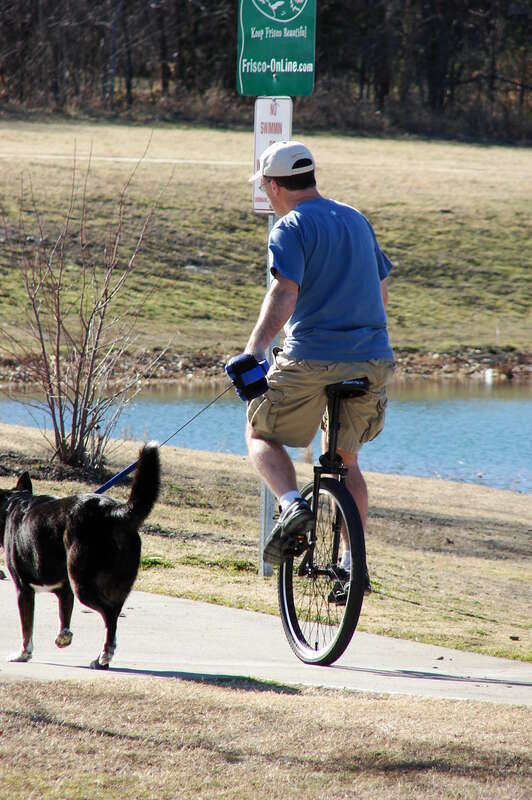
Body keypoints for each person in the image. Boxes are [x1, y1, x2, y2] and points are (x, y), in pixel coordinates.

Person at [238, 140, 394, 592]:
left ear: (274, 185)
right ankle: (350, 562)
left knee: (260, 434)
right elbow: (382, 295)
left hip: (311, 356)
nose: (266, 194)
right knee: (346, 460)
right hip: (371, 358)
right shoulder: (355, 219)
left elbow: (284, 293)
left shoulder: (290, 227)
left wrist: (254, 351)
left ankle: (290, 505)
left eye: (265, 187)